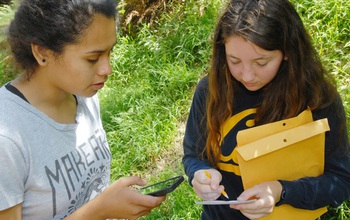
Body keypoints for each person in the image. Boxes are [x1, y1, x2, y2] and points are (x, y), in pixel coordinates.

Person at [182, 0, 350, 219]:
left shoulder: (316, 99)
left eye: (261, 63)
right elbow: (193, 154)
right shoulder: (210, 91)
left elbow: (341, 181)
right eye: (234, 61)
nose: (247, 75)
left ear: (288, 52)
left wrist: (281, 191)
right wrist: (199, 173)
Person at [0, 0, 165, 219]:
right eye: (92, 59)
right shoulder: (7, 137)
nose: (108, 69)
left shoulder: (83, 96)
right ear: (42, 53)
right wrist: (98, 210)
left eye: (110, 53)